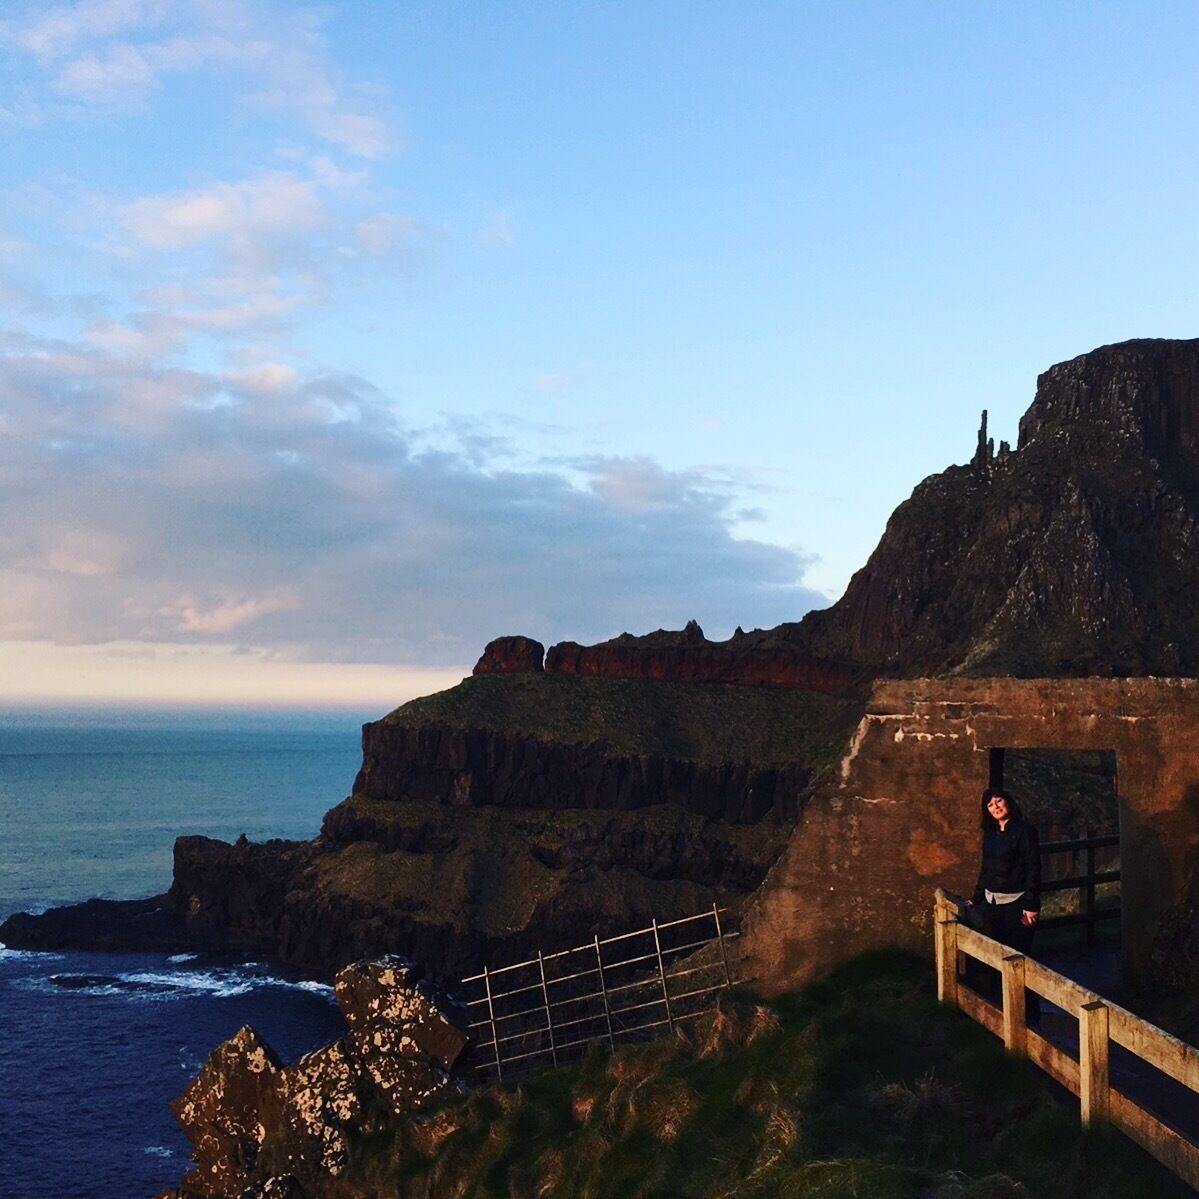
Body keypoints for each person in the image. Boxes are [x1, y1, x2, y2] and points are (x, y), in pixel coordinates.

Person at [968, 788, 1040, 954]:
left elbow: (1033, 867)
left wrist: (1031, 904)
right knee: (994, 954)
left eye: (998, 801)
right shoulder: (990, 834)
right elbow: (986, 867)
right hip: (991, 904)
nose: (996, 807)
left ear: (1008, 801)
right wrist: (976, 898)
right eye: (990, 804)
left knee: (1017, 955)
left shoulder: (1025, 831)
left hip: (1017, 903)